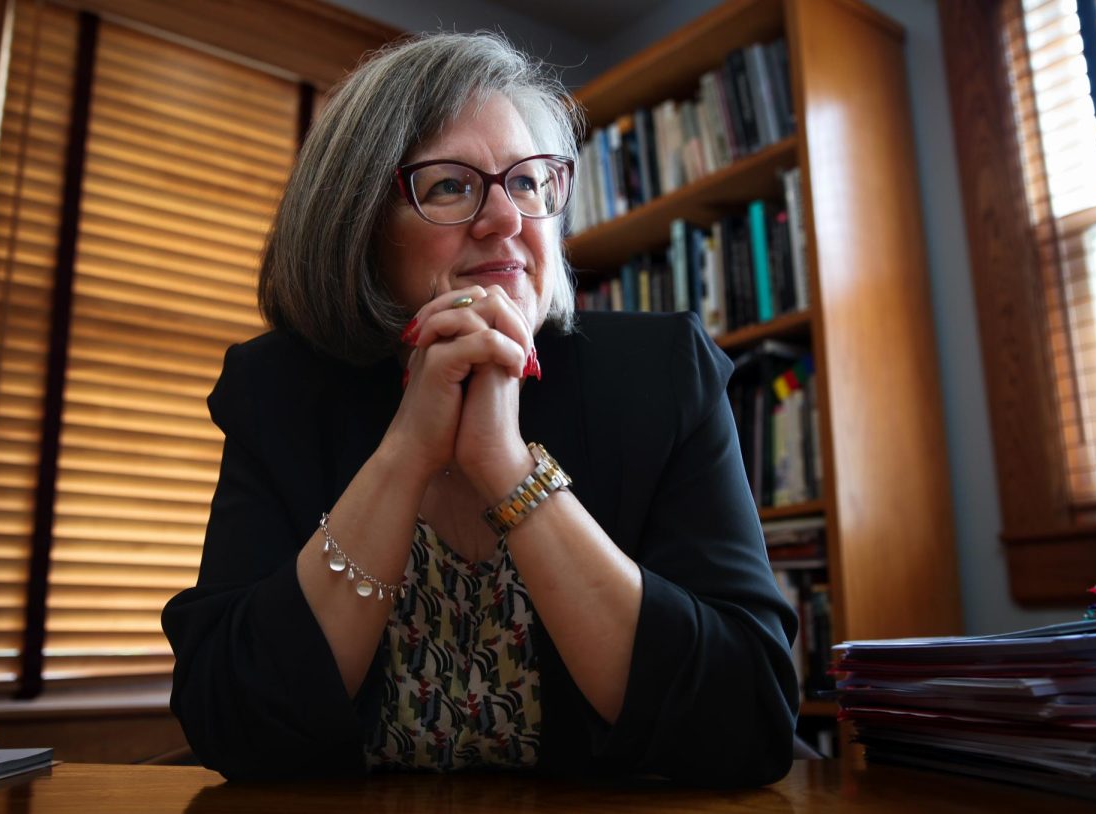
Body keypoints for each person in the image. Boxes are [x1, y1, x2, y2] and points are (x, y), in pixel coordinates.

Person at [161, 30, 798, 787]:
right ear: (359, 230)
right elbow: (231, 723)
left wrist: (504, 464)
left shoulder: (664, 376)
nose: (507, 218)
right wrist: (406, 454)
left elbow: (748, 721)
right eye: (451, 186)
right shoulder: (279, 394)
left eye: (528, 181)